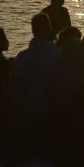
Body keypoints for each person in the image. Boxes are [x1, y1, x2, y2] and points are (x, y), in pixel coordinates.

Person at [11, 13, 62, 156]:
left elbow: (15, 86)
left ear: (32, 30)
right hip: (50, 114)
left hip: (25, 114)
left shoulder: (21, 58)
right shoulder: (57, 55)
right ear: (49, 29)